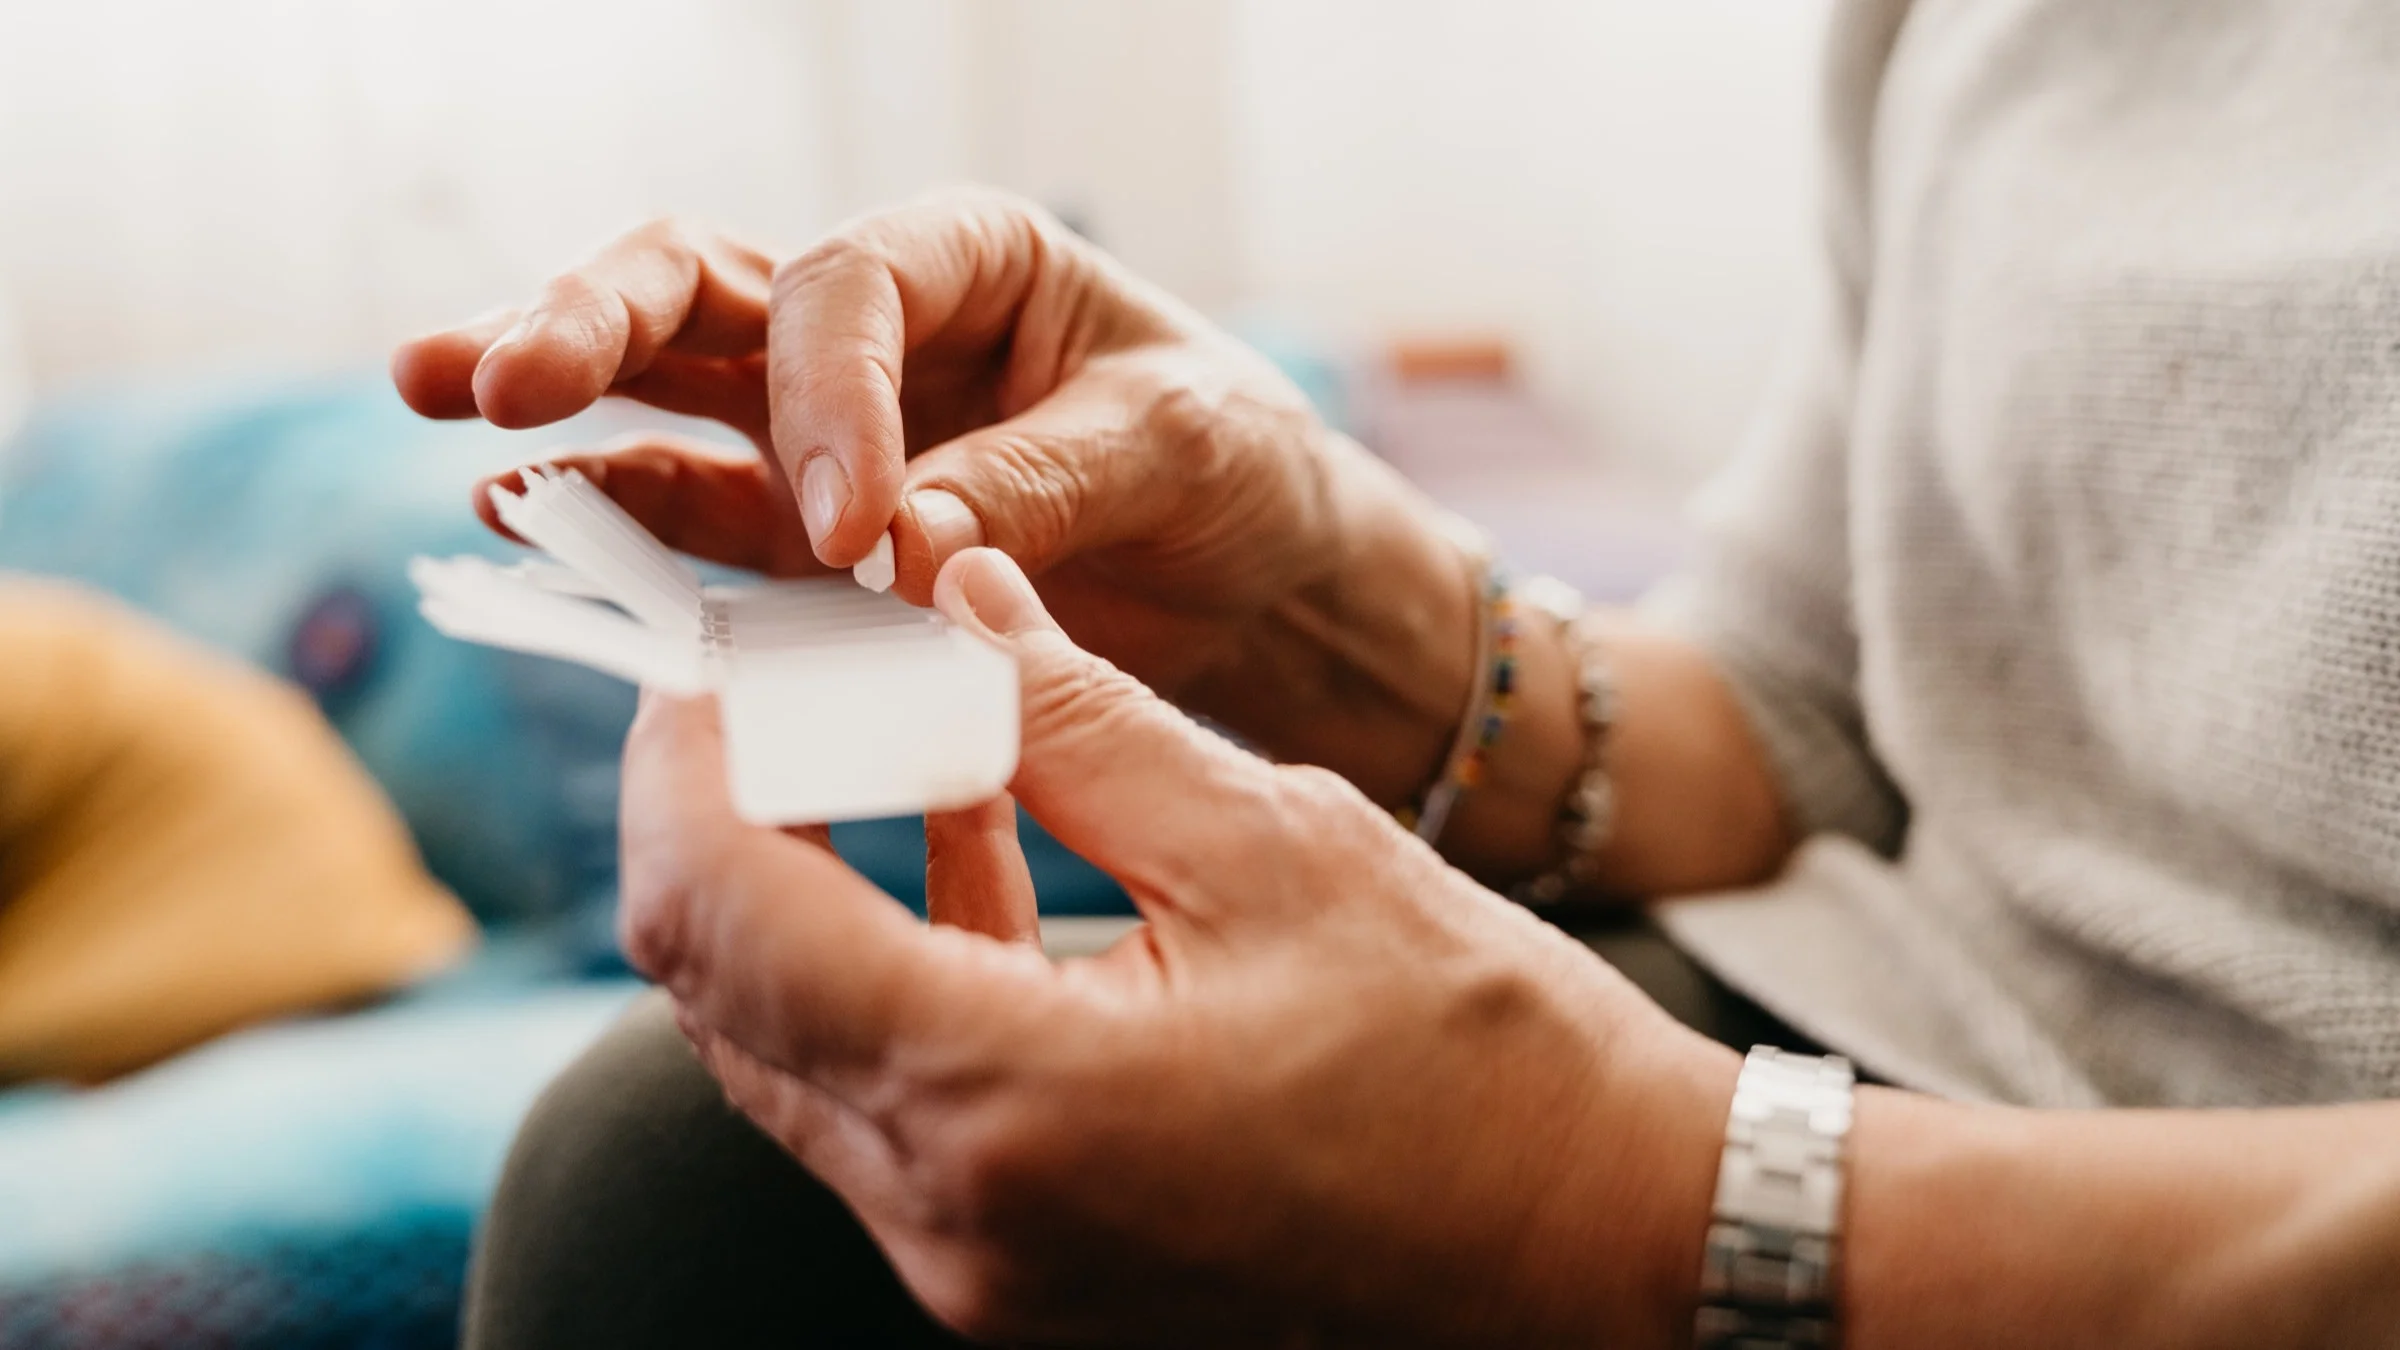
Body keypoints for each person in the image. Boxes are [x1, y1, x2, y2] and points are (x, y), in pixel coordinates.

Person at [391, 0, 2400, 1343]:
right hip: (1868, 1047)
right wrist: (1323, 596)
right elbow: (1824, 715)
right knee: (674, 1191)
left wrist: (1642, 1201)